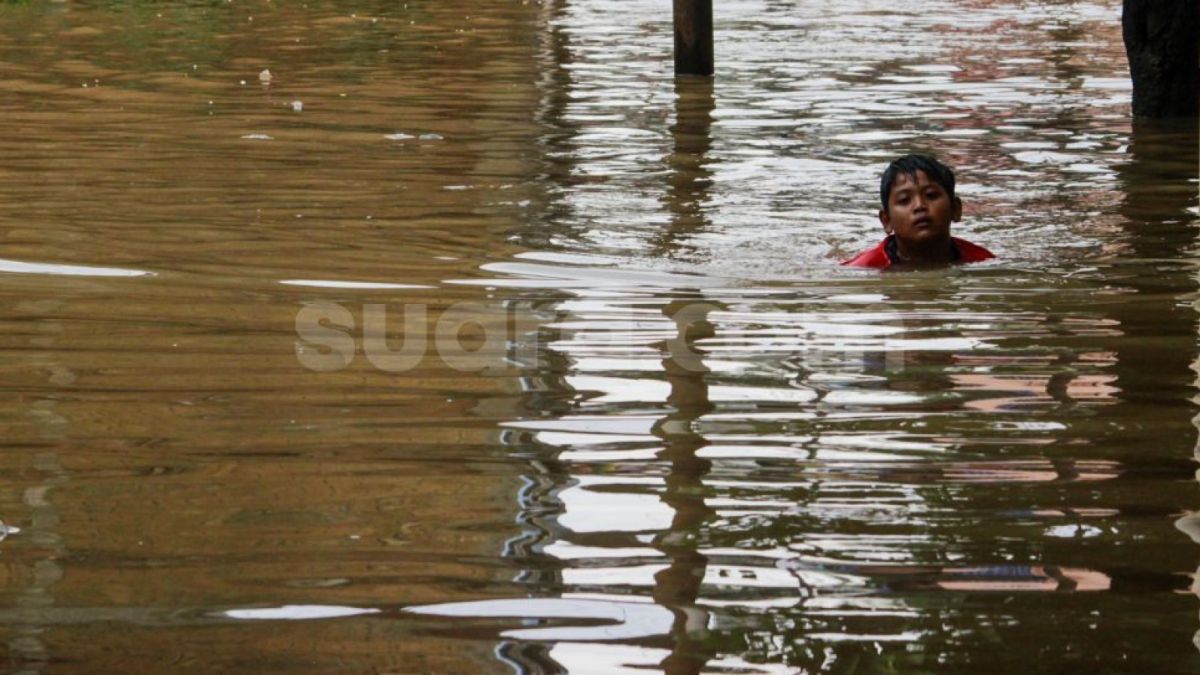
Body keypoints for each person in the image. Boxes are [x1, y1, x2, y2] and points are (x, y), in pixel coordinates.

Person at [842, 154, 994, 268]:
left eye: (931, 195)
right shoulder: (865, 268)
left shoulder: (982, 260)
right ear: (887, 220)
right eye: (904, 200)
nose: (919, 206)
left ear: (955, 209)